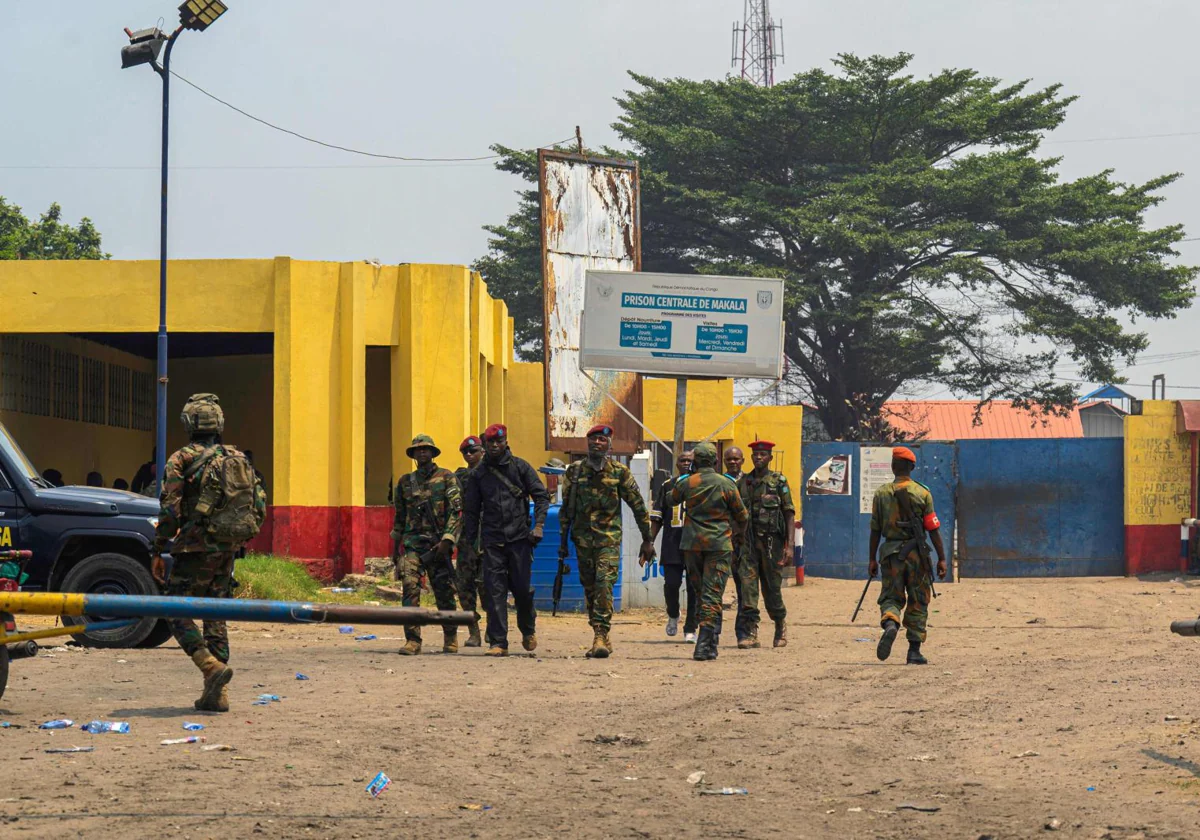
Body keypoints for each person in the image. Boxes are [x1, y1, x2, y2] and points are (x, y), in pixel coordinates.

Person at [151, 393, 266, 712]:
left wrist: (158, 549)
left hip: (194, 546)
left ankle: (209, 666)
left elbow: (170, 512)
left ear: (188, 423)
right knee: (216, 614)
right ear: (219, 423)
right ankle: (217, 694)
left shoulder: (181, 459)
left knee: (175, 609)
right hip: (228, 547)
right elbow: (258, 503)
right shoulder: (237, 457)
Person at [561, 424, 655, 658]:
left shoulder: (619, 472)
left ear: (610, 445)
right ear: (587, 443)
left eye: (602, 440)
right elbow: (566, 508)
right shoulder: (574, 472)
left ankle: (601, 635)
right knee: (591, 588)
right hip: (582, 541)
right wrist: (562, 540)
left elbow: (638, 505)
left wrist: (647, 539)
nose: (597, 443)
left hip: (608, 540)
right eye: (593, 439)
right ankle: (599, 633)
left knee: (604, 584)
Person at [461, 424, 550, 657]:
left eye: (498, 442)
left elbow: (541, 496)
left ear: (505, 441)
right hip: (492, 543)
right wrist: (470, 544)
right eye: (490, 443)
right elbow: (471, 511)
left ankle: (527, 630)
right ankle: (498, 642)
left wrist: (538, 525)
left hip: (520, 540)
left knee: (522, 591)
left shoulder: (520, 467)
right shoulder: (478, 474)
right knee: (494, 592)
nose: (494, 446)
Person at [867, 446, 948, 665]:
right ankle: (914, 651)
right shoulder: (923, 493)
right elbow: (933, 529)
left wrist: (872, 559)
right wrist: (941, 558)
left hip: (890, 555)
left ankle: (891, 622)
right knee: (918, 600)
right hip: (917, 556)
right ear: (912, 467)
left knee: (891, 597)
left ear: (893, 467)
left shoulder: (881, 493)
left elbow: (875, 529)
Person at [669, 442, 748, 661]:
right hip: (719, 545)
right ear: (715, 461)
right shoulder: (726, 484)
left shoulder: (687, 482)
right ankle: (704, 644)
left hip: (692, 545)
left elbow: (670, 500)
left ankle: (711, 641)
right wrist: (738, 535)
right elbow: (743, 515)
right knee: (713, 594)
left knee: (702, 593)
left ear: (695, 461)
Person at [392, 435, 463, 656]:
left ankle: (450, 637)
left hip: (438, 545)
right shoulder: (405, 482)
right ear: (413, 455)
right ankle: (413, 640)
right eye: (418, 450)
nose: (422, 453)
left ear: (433, 453)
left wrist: (448, 539)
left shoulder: (447, 478)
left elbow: (457, 511)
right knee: (410, 588)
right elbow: (399, 517)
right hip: (413, 545)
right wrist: (396, 549)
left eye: (426, 449)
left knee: (444, 593)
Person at [735, 440, 796, 649]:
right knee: (748, 588)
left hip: (772, 545)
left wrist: (790, 546)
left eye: (763, 454)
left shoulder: (778, 481)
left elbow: (789, 513)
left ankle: (780, 625)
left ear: (770, 457)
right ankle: (751, 632)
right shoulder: (743, 482)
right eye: (755, 454)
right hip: (748, 545)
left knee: (772, 590)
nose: (758, 457)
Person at [650, 449, 698, 642]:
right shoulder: (667, 485)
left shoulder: (700, 485)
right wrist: (649, 541)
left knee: (694, 588)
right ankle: (673, 613)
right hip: (672, 544)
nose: (686, 463)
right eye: (682, 460)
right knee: (671, 584)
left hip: (695, 544)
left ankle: (691, 628)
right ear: (677, 463)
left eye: (690, 460)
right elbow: (657, 517)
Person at [454, 435, 487, 647]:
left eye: (473, 451)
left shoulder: (494, 472)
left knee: (489, 587)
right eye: (465, 452)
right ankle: (473, 631)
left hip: (490, 537)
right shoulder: (460, 477)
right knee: (465, 587)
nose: (469, 455)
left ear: (482, 451)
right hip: (467, 538)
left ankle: (494, 630)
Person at [722, 445, 749, 641]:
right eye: (729, 459)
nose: (733, 462)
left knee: (744, 587)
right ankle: (711, 632)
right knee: (716, 587)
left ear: (742, 461)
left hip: (745, 542)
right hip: (721, 541)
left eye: (736, 459)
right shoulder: (719, 482)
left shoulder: (750, 482)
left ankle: (743, 631)